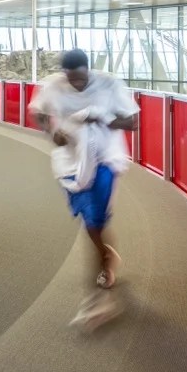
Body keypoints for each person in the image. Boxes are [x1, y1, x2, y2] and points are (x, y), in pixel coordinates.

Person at [29, 48, 139, 310]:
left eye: (81, 78)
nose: (77, 84)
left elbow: (133, 122)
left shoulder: (109, 83)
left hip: (104, 157)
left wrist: (100, 118)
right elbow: (38, 111)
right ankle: (107, 255)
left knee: (94, 218)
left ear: (88, 70)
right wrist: (51, 131)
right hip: (71, 160)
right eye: (71, 79)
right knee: (86, 215)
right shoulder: (54, 85)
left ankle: (104, 265)